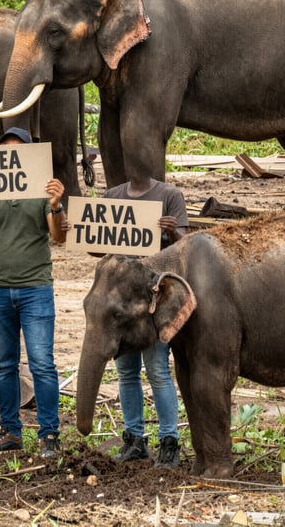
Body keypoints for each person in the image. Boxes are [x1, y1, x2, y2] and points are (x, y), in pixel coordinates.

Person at [0, 127, 68, 459]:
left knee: (42, 364)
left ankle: (49, 435)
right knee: (5, 366)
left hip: (36, 289)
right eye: (6, 151)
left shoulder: (43, 189)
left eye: (18, 151)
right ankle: (10, 432)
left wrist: (56, 205)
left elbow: (59, 238)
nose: (11, 156)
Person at [102, 175, 189, 467]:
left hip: (154, 301)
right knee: (126, 371)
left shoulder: (169, 195)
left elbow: (184, 247)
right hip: (121, 303)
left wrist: (174, 232)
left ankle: (169, 442)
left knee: (157, 370)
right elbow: (96, 244)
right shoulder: (112, 195)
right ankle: (134, 439)